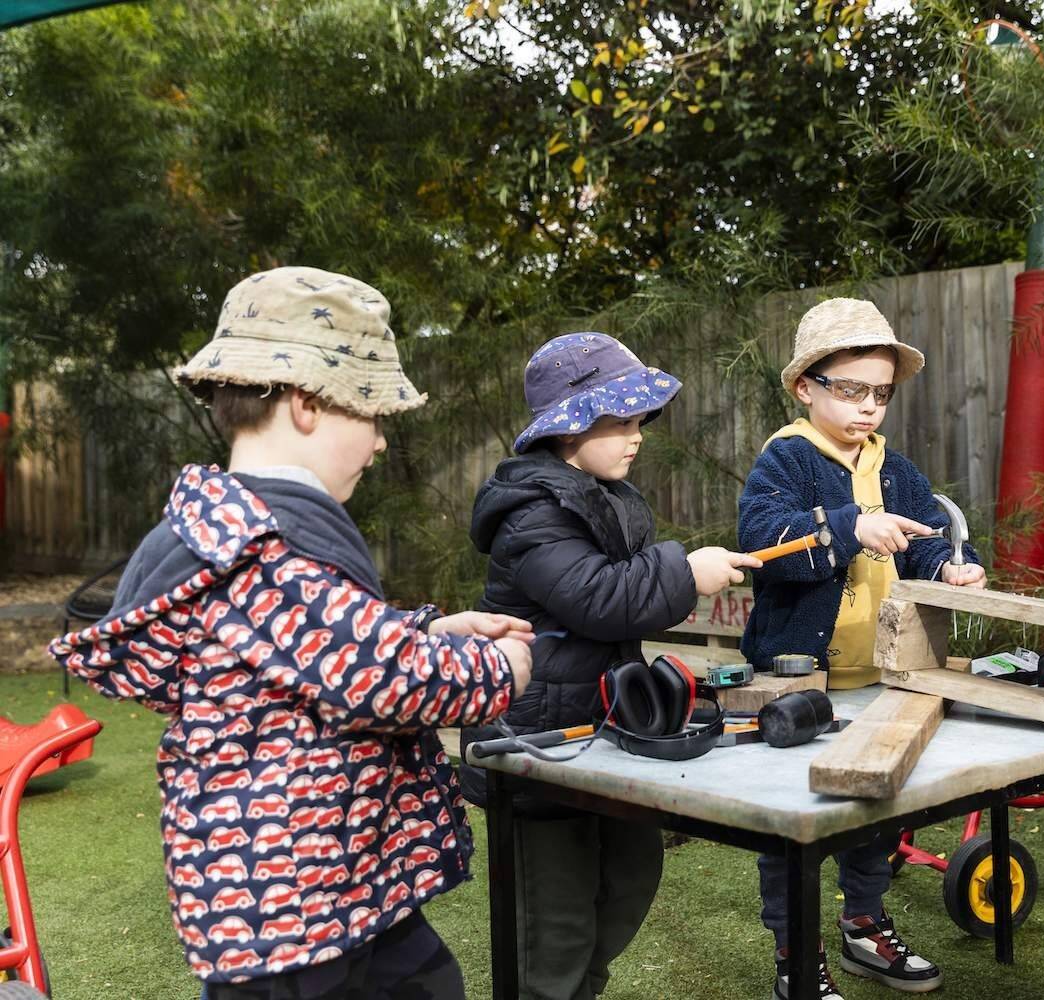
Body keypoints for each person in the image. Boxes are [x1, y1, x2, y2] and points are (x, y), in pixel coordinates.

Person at [50, 267, 534, 997]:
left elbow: (314, 647)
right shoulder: (258, 548)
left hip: (338, 885)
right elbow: (392, 678)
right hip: (287, 911)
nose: (377, 446)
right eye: (372, 417)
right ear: (307, 404)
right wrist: (499, 666)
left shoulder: (251, 536)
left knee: (430, 983)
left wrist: (428, 627)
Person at [458, 332, 759, 1000]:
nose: (638, 435)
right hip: (536, 746)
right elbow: (600, 600)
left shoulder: (601, 496)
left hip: (604, 733)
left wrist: (674, 574)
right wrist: (687, 569)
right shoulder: (531, 511)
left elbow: (625, 601)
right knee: (555, 927)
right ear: (569, 429)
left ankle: (579, 991)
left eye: (638, 421)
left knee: (630, 878)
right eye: (620, 421)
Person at [739, 298, 984, 999]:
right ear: (805, 387)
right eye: (850, 390)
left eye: (881, 393)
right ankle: (796, 956)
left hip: (883, 674)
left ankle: (863, 924)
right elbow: (766, 543)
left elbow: (929, 535)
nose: (868, 407)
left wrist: (947, 566)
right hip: (797, 677)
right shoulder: (786, 459)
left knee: (879, 808)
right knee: (797, 822)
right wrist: (851, 527)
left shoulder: (894, 466)